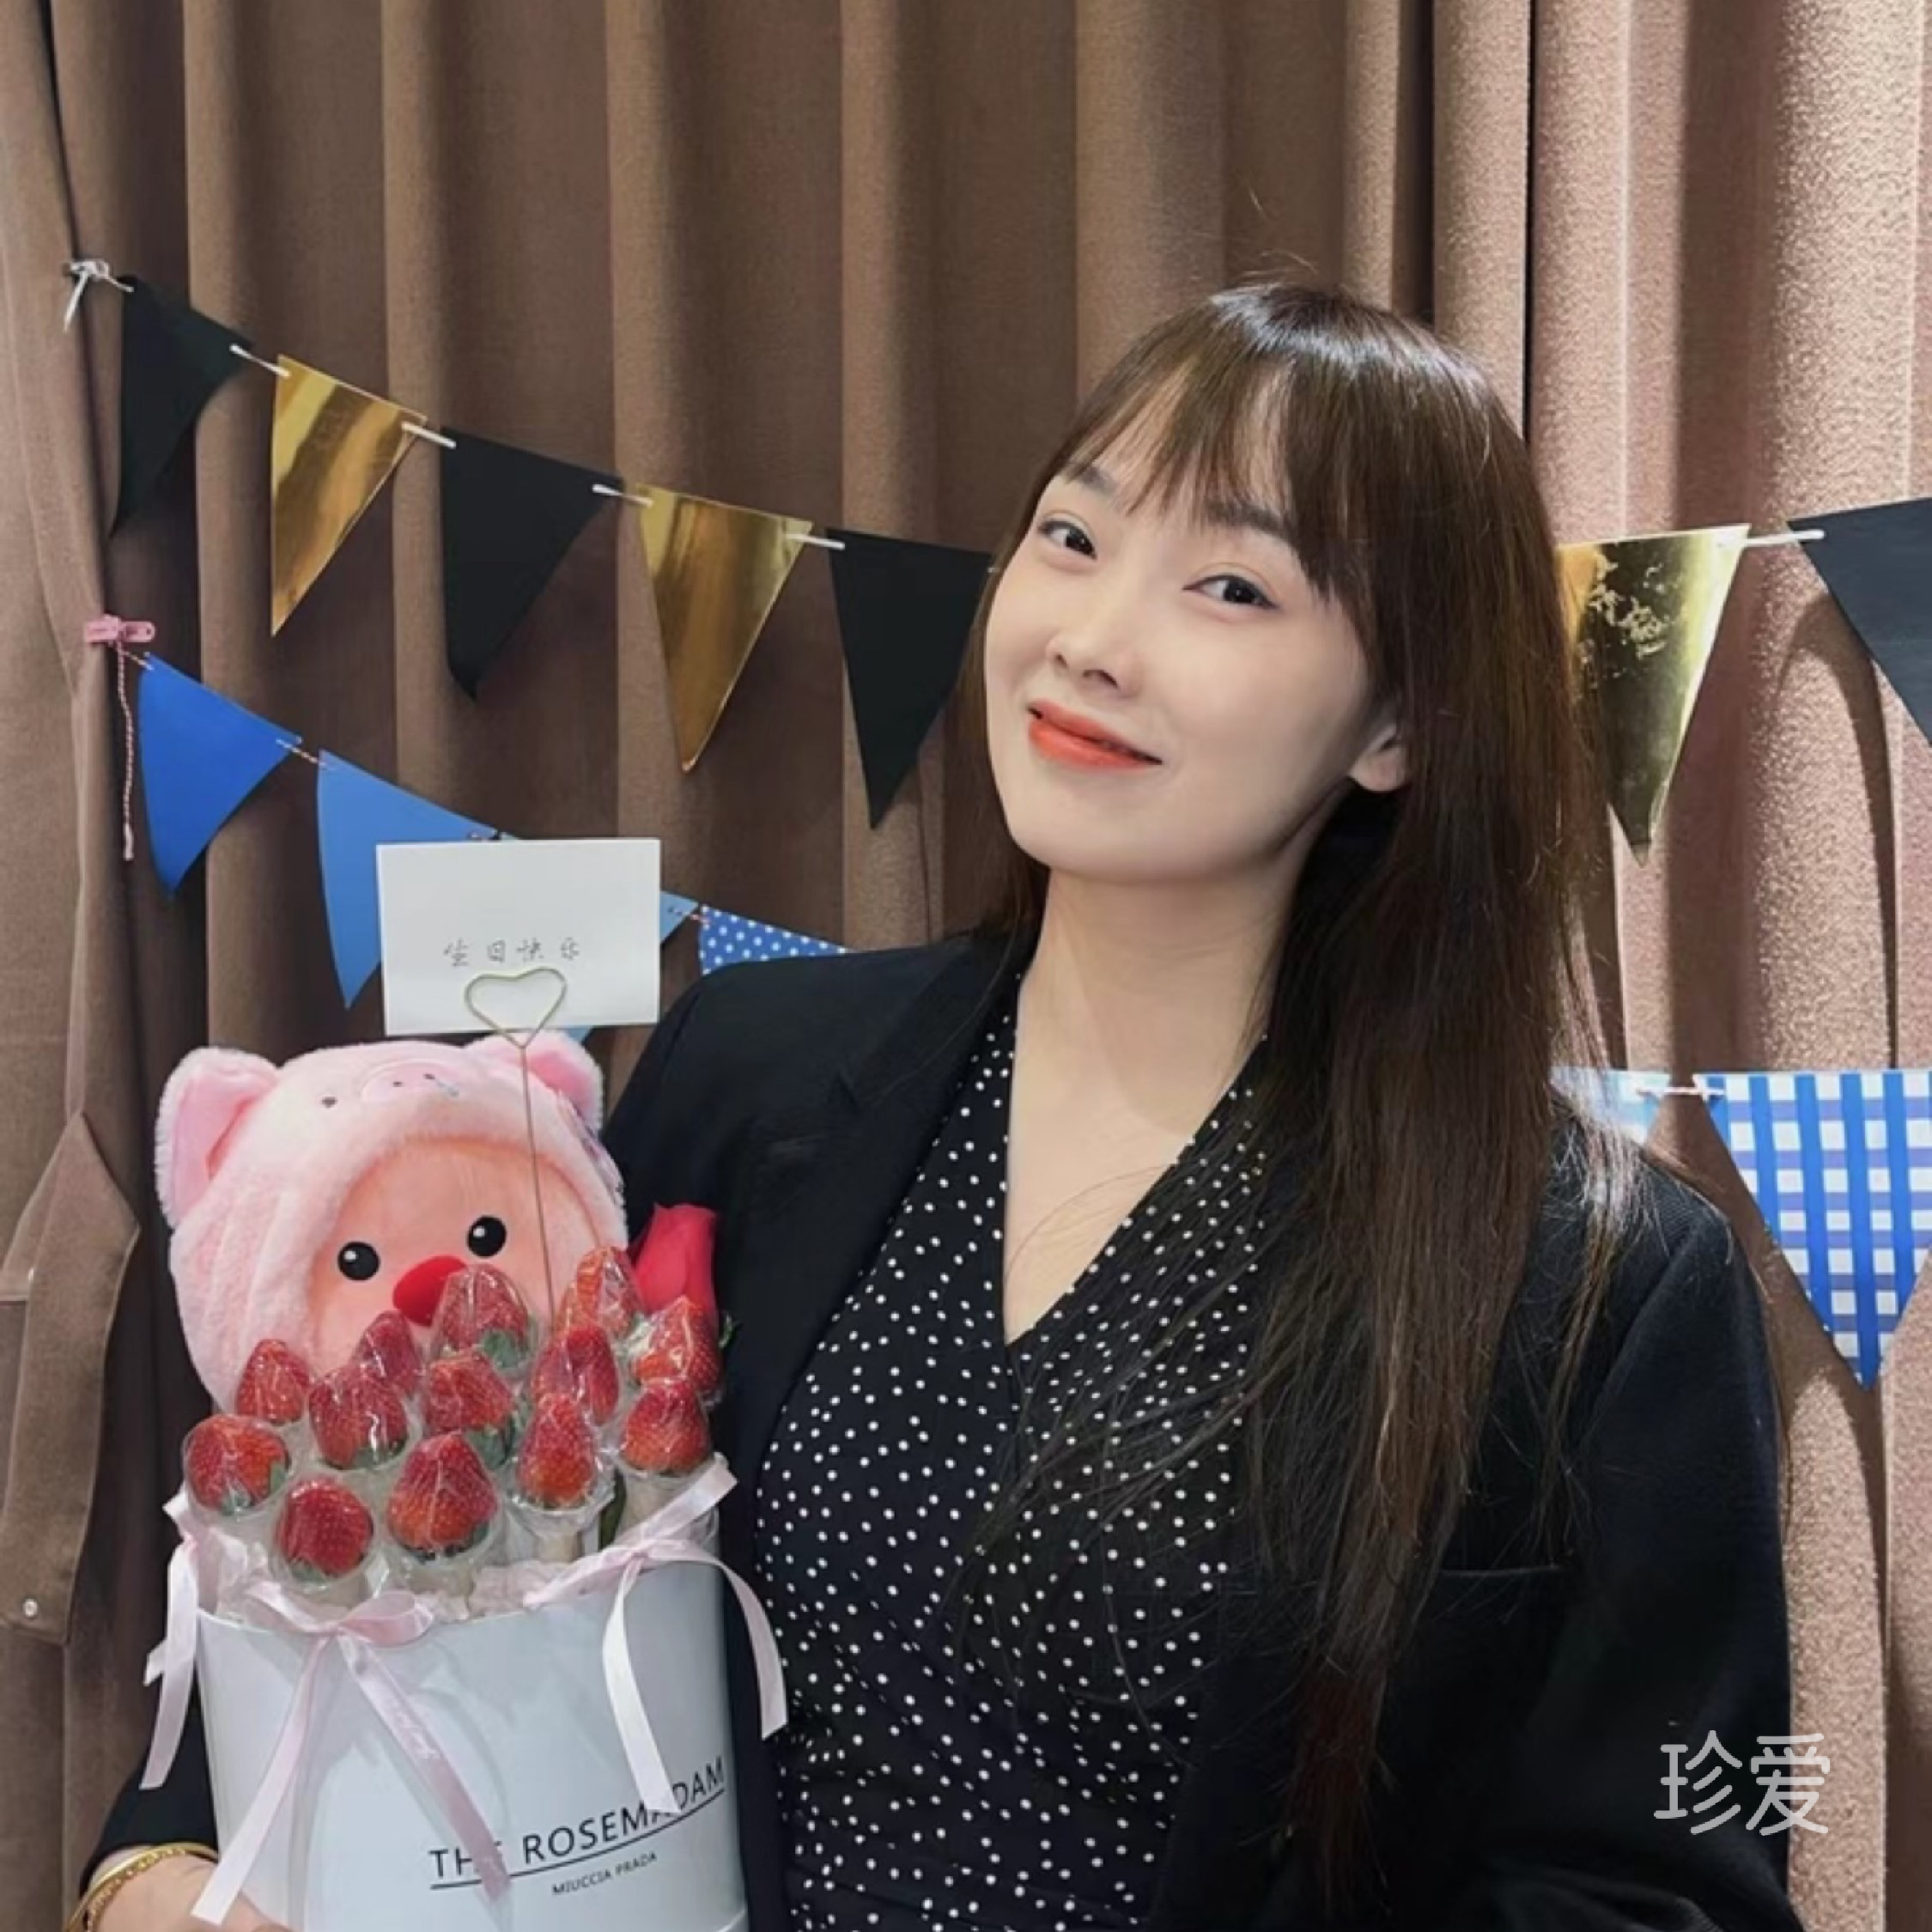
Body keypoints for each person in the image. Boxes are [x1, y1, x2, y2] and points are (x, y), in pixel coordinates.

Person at [82, 278, 1804, 1932]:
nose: (1092, 641)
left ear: (1399, 725)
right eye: (1073, 534)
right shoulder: (746, 1074)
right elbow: (408, 1519)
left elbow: (1668, 1884)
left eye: (1230, 588)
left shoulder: (1598, 1282)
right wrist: (166, 1856)